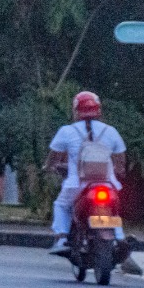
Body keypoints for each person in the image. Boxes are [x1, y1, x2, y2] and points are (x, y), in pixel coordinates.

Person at [44, 91, 127, 255]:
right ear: (99, 110)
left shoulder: (66, 131)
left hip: (77, 183)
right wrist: (119, 170)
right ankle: (119, 235)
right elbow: (120, 159)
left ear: (76, 110)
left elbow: (54, 156)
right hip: (107, 182)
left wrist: (48, 167)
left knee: (61, 205)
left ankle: (61, 238)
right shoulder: (110, 131)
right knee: (113, 208)